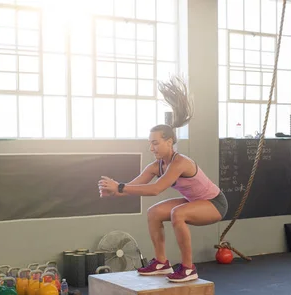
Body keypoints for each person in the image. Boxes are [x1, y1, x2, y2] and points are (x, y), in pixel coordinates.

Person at [98, 75, 228, 283]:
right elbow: (136, 185)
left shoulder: (180, 162)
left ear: (170, 142)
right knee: (154, 212)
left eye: (156, 143)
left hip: (215, 204)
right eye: (150, 143)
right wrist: (115, 191)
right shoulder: (156, 166)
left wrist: (120, 186)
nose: (152, 148)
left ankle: (188, 268)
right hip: (195, 202)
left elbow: (155, 189)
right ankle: (161, 262)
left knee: (178, 213)